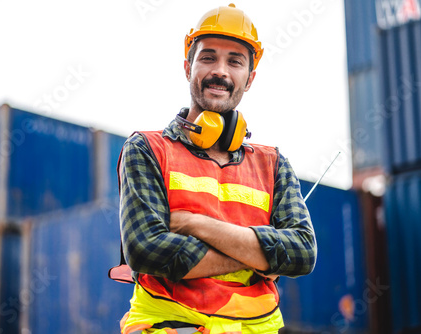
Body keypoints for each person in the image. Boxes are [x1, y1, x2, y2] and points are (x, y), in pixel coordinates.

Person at [110, 3, 317, 334]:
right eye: (208, 57)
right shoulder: (148, 149)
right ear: (187, 67)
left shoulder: (273, 163)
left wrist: (196, 224)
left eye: (234, 61)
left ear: (248, 78)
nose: (220, 70)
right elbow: (146, 251)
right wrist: (261, 256)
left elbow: (303, 252)